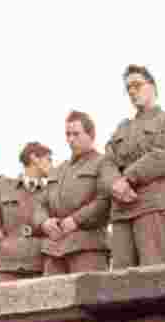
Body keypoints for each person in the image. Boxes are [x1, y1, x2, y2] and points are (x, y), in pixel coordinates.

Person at [105, 64, 165, 269]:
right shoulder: (122, 127)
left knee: (152, 276)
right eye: (128, 88)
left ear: (153, 87)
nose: (132, 91)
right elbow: (107, 162)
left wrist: (127, 177)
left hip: (154, 205)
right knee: (119, 281)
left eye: (137, 85)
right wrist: (114, 182)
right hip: (122, 209)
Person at [38, 113, 117, 276]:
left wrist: (76, 220)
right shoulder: (58, 170)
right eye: (68, 134)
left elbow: (105, 199)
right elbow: (40, 205)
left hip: (88, 248)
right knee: (53, 300)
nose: (71, 139)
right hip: (54, 250)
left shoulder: (103, 163)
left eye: (76, 134)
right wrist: (44, 222)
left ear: (91, 135)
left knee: (89, 299)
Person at [0, 143, 52, 284]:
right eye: (49, 159)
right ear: (34, 158)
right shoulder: (3, 188)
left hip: (40, 265)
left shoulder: (52, 191)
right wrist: (1, 244)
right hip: (7, 267)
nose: (51, 165)